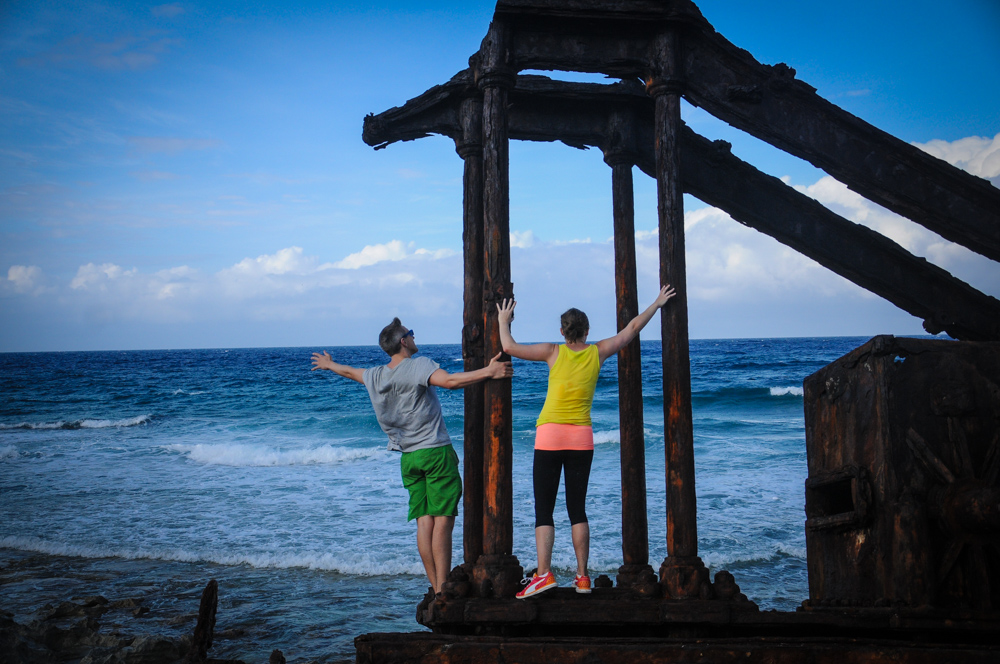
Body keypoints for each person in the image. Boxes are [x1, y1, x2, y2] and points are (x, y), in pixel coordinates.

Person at [497, 285, 676, 598]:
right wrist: (657, 303)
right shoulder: (598, 352)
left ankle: (543, 575)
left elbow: (509, 347)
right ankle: (582, 577)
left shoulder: (553, 351)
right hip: (581, 438)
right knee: (577, 509)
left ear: (562, 331)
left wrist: (503, 320)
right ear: (587, 331)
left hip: (549, 436)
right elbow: (632, 329)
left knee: (544, 509)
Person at [311, 319, 513, 594]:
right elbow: (450, 381)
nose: (415, 337)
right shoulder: (418, 365)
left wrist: (329, 365)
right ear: (403, 341)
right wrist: (489, 371)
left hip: (408, 458)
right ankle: (444, 586)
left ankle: (436, 587)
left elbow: (349, 372)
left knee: (424, 522)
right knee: (443, 520)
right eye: (411, 334)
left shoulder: (376, 375)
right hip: (435, 452)